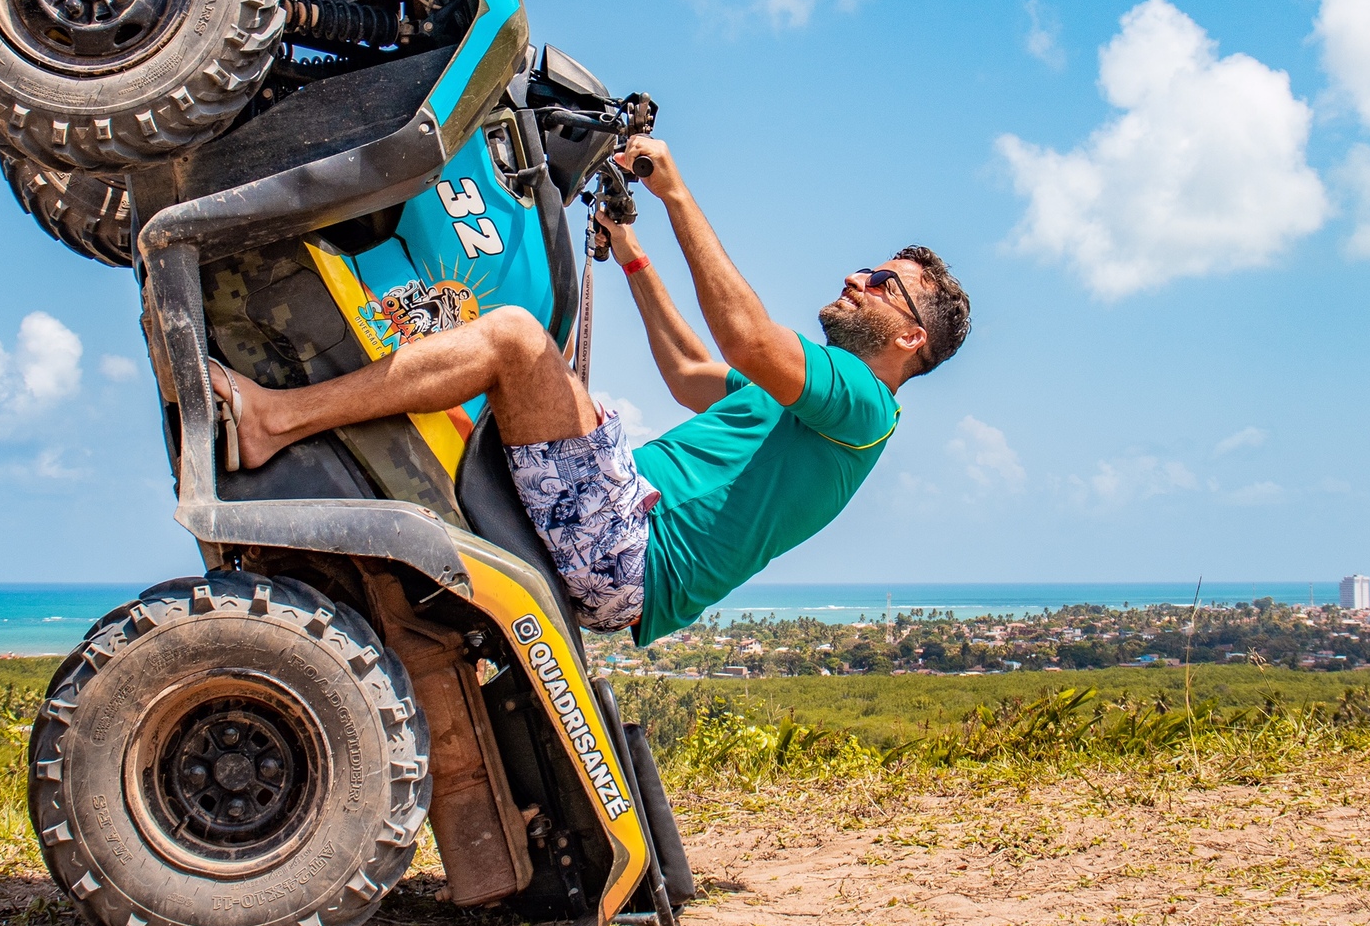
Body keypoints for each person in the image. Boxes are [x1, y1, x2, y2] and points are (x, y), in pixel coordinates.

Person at [207, 134, 970, 646]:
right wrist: (632, 255)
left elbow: (747, 339)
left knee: (516, 340)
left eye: (882, 282)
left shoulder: (864, 403)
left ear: (911, 338)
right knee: (538, 339)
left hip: (631, 553)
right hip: (618, 524)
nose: (856, 277)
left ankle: (275, 419)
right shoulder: (808, 402)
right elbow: (690, 373)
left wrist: (675, 196)